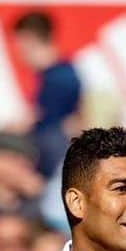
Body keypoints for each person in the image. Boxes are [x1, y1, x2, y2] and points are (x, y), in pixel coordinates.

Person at [13, 11, 82, 178]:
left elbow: (57, 126)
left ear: (29, 39)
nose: (19, 53)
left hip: (59, 168)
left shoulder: (60, 79)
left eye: (20, 44)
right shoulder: (56, 76)